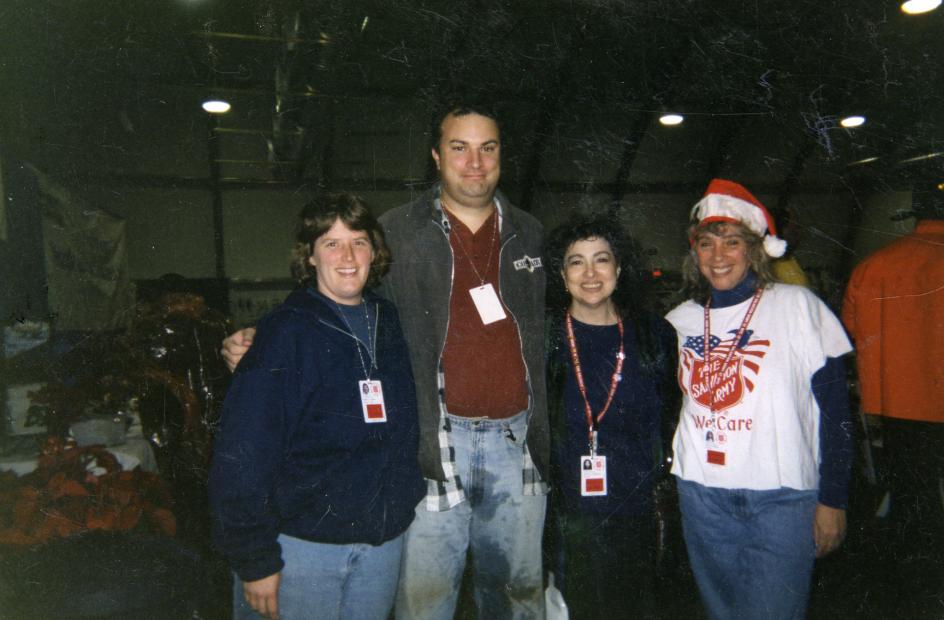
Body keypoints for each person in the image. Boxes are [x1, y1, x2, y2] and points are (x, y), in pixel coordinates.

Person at [221, 104, 549, 619]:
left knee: (518, 594)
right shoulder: (398, 228)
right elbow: (334, 290)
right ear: (437, 156)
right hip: (433, 443)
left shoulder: (530, 234)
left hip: (516, 444)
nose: (475, 163)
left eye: (488, 148)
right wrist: (262, 337)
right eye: (459, 148)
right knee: (423, 600)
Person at [208, 194, 425, 620]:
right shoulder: (284, 333)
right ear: (309, 256)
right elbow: (242, 454)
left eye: (359, 242)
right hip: (301, 551)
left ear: (374, 252)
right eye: (330, 243)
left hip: (380, 548)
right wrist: (255, 560)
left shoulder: (392, 322)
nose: (347, 256)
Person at [666, 178, 853, 620]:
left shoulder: (799, 306)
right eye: (707, 243)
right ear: (694, 252)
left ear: (754, 248)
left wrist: (834, 500)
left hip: (781, 498)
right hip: (701, 494)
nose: (718, 256)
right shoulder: (679, 320)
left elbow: (837, 415)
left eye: (732, 242)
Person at [543, 214, 677, 619]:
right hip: (570, 516)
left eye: (601, 259)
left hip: (638, 509)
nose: (590, 273)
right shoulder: (543, 336)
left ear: (619, 269)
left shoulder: (655, 334)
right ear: (561, 274)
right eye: (575, 261)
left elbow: (670, 412)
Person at [842, 176, 944, 601]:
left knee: (914, 499)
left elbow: (853, 332)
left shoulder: (873, 266)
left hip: (898, 409)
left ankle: (916, 591)